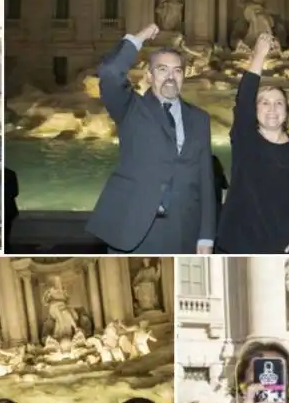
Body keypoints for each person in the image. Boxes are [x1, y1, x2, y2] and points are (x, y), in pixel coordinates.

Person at [86, 23, 217, 254]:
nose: (170, 77)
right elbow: (109, 73)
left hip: (184, 229)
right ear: (148, 75)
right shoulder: (130, 107)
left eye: (177, 71)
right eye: (162, 69)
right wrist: (139, 39)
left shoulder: (200, 118)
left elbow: (206, 179)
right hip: (132, 228)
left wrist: (206, 236)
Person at [215, 32, 289, 254]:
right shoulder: (246, 140)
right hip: (241, 246)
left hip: (287, 248)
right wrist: (259, 56)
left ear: (287, 111)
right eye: (264, 103)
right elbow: (244, 98)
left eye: (278, 103)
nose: (272, 109)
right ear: (254, 111)